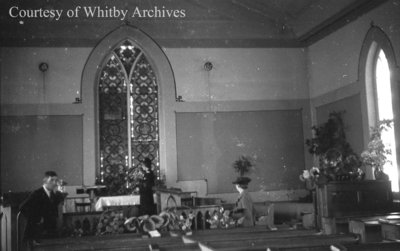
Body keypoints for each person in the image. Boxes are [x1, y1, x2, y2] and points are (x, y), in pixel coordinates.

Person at [19, 171, 66, 246]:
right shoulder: (37, 193)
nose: (54, 183)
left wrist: (59, 191)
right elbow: (22, 207)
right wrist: (35, 219)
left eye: (56, 180)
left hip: (48, 234)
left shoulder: (53, 194)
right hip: (35, 235)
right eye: (52, 180)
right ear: (45, 181)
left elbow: (54, 206)